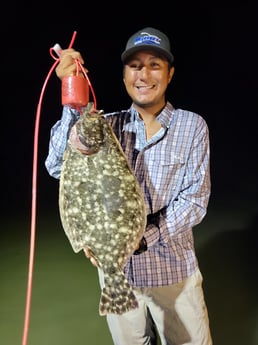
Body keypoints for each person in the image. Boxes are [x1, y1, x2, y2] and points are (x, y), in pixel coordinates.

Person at [45, 27, 213, 345]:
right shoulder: (107, 125)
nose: (144, 75)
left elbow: (194, 201)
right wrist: (71, 97)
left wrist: (140, 240)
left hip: (173, 273)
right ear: (124, 76)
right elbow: (56, 165)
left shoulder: (192, 126)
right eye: (135, 66)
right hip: (116, 274)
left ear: (170, 73)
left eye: (154, 65)